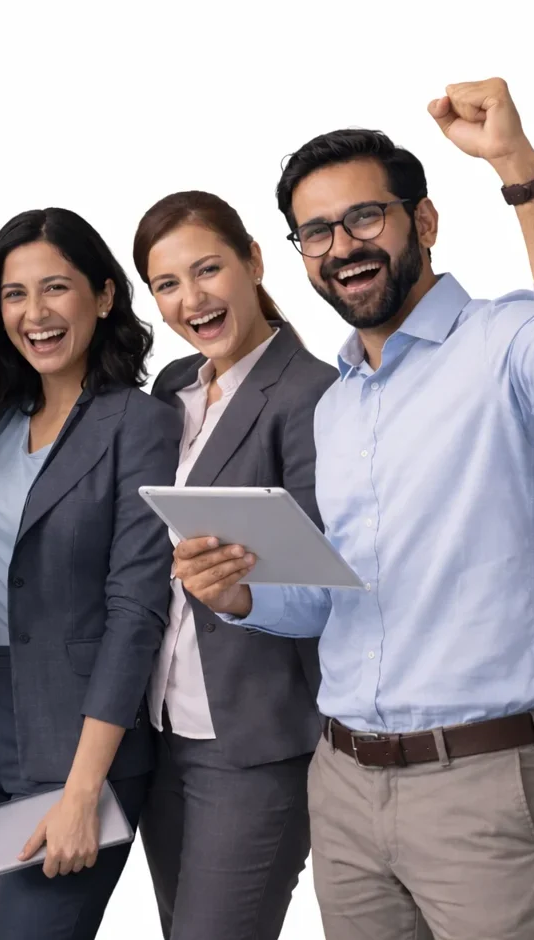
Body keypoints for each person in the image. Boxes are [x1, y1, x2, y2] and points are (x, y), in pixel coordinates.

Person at [177, 79, 534, 940]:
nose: (344, 247)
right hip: (343, 786)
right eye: (318, 233)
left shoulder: (501, 344)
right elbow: (336, 595)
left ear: (426, 222)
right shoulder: (337, 403)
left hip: (478, 787)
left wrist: (518, 167)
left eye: (366, 217)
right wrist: (241, 594)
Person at [0, 49, 180, 939]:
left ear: (102, 296)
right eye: (14, 294)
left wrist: (87, 787)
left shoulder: (138, 421)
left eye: (56, 287)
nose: (34, 312)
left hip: (81, 739)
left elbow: (137, 612)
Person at [131, 190, 336, 940]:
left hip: (254, 740)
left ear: (253, 261)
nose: (192, 299)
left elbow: (326, 571)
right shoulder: (172, 388)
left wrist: (242, 587)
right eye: (167, 284)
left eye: (208, 269)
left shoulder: (311, 394)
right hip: (161, 730)